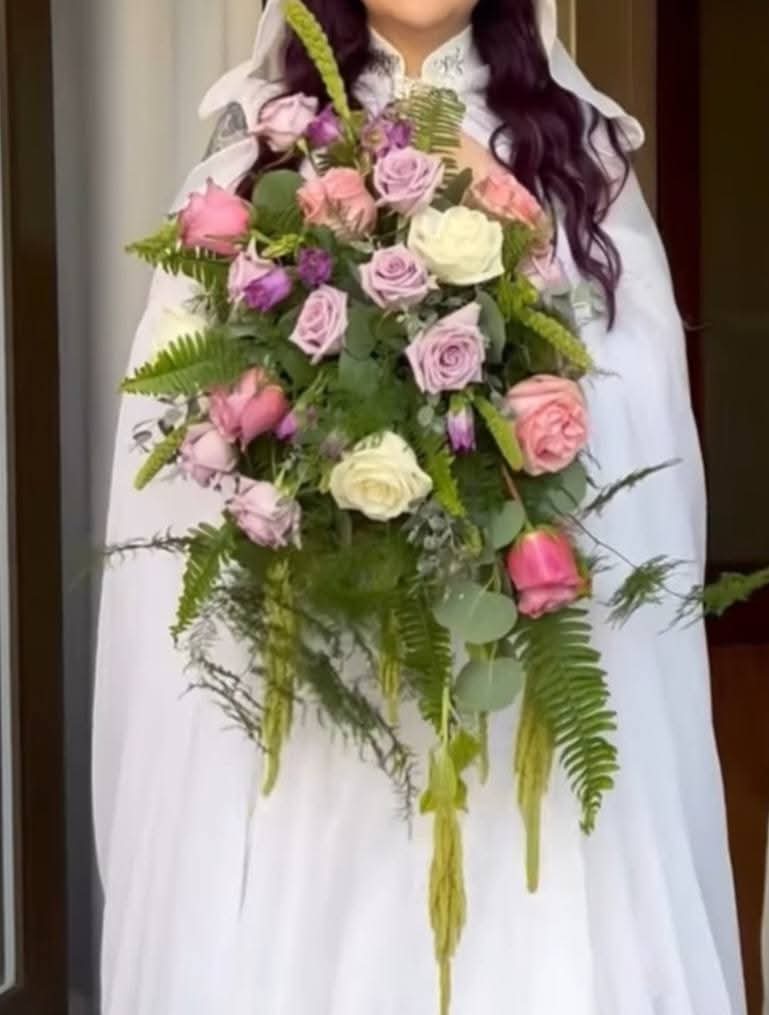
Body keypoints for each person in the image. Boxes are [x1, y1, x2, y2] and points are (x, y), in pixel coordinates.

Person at [94, 1, 747, 1012]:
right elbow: (178, 450)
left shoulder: (581, 164)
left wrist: (502, 427)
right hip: (309, 682)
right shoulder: (246, 157)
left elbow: (642, 448)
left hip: (511, 681)